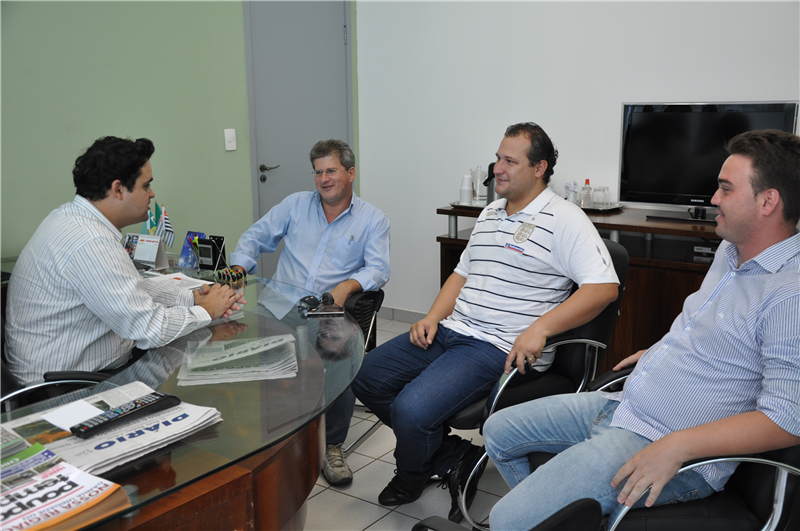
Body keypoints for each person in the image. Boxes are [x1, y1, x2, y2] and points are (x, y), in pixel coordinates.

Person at [483, 129, 800, 530]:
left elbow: (788, 418)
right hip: (625, 407)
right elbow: (713, 329)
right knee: (497, 430)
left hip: (665, 443)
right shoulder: (731, 249)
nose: (714, 199)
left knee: (506, 519)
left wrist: (678, 446)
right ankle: (560, 518)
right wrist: (662, 349)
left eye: (725, 189)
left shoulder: (790, 294)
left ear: (768, 201)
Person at [352, 122, 619, 522]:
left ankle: (412, 473)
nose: (498, 168)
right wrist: (431, 317)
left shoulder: (565, 218)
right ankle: (453, 455)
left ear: (540, 167)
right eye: (497, 158)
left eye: (510, 161)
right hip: (452, 330)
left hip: (497, 346)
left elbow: (603, 289)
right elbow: (461, 273)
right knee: (365, 374)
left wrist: (540, 329)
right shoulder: (491, 211)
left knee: (411, 409)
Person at [6, 136, 244, 385]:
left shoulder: (71, 217)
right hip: (66, 389)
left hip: (71, 370)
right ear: (118, 189)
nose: (152, 194)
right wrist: (206, 310)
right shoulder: (91, 242)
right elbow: (149, 329)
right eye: (146, 185)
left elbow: (127, 290)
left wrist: (191, 297)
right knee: (203, 378)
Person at [229, 139, 390, 485]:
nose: (323, 179)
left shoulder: (373, 219)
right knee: (247, 352)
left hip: (326, 312)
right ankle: (269, 438)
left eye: (331, 170)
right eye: (318, 172)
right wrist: (240, 268)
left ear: (350, 173)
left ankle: (331, 444)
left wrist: (346, 286)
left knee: (343, 355)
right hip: (278, 304)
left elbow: (379, 269)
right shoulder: (295, 205)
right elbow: (254, 238)